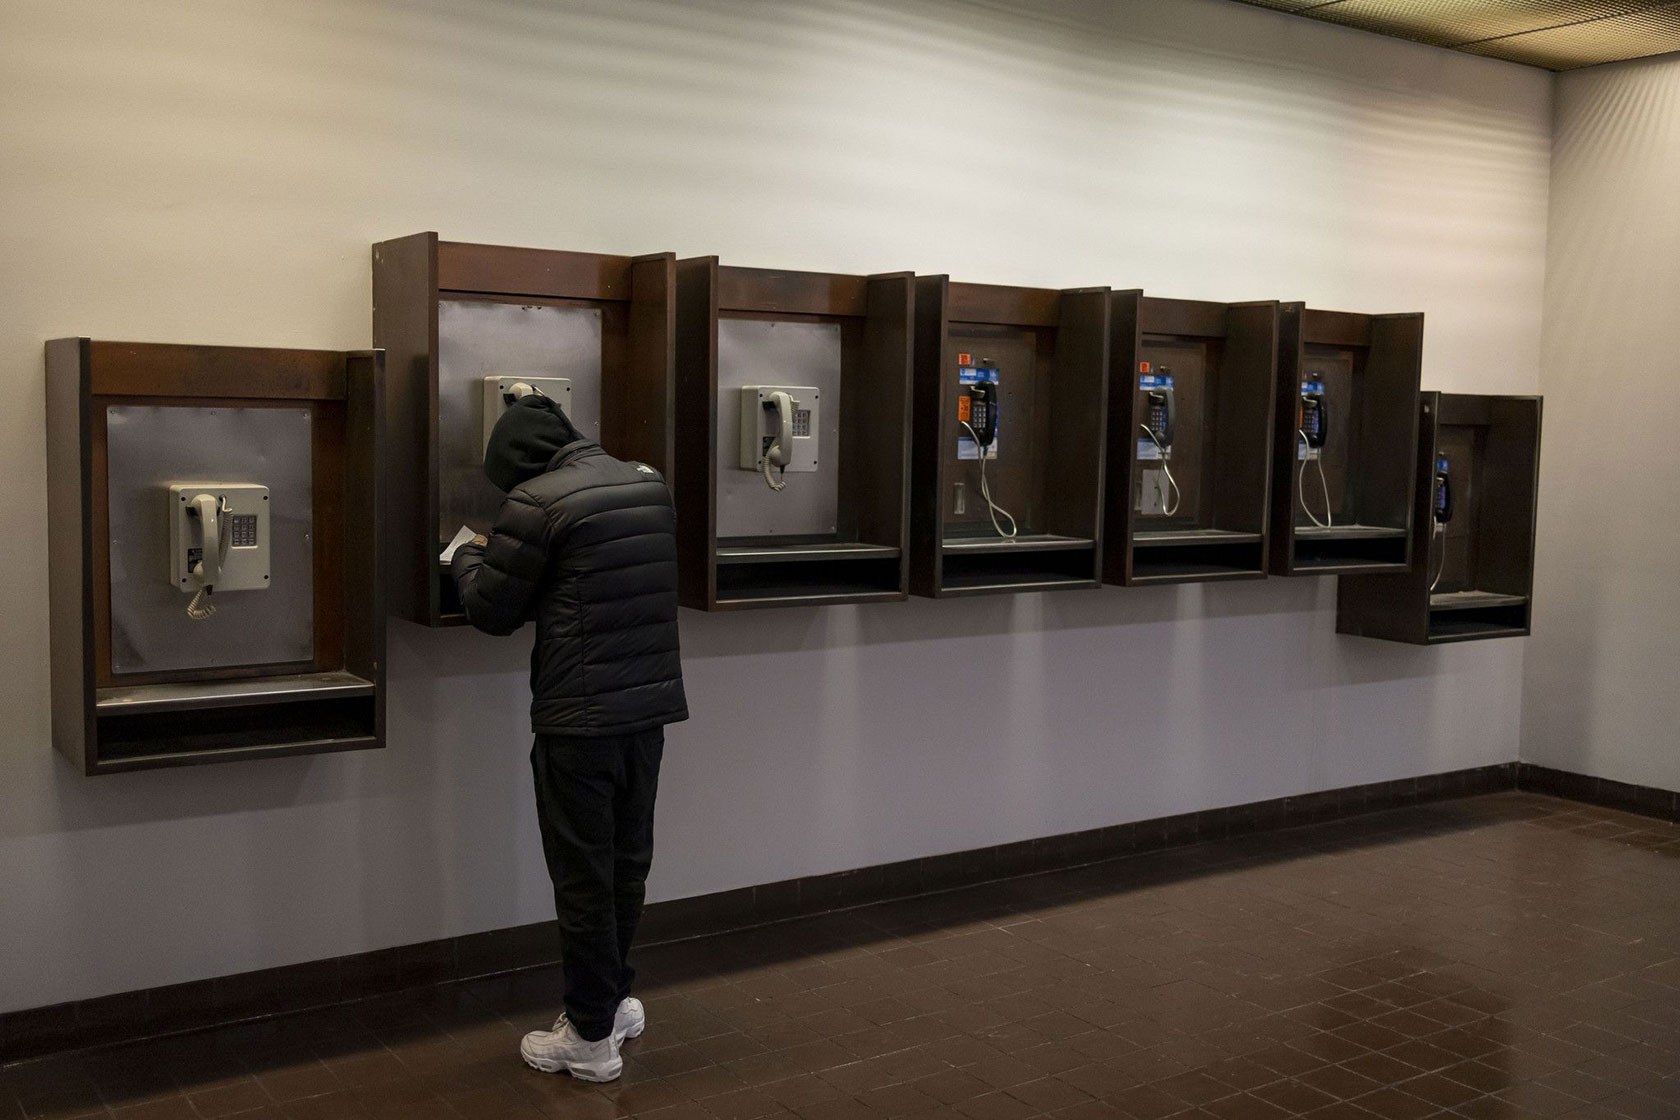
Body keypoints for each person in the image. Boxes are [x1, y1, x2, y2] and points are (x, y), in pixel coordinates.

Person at [452, 393, 688, 1083]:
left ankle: (588, 1038)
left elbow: (493, 611)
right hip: (647, 713)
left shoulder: (538, 504)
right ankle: (611, 1002)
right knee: (625, 864)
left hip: (578, 721)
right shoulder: (645, 484)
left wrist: (467, 556)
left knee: (582, 877)